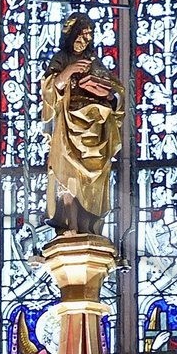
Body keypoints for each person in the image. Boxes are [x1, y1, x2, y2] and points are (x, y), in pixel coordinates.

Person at [40, 15, 123, 238]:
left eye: (89, 36)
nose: (84, 40)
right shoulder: (61, 58)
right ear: (71, 34)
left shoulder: (94, 62)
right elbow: (49, 89)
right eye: (81, 34)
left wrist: (105, 93)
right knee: (68, 175)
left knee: (90, 179)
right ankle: (71, 225)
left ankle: (88, 227)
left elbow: (115, 93)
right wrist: (70, 71)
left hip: (93, 125)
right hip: (68, 124)